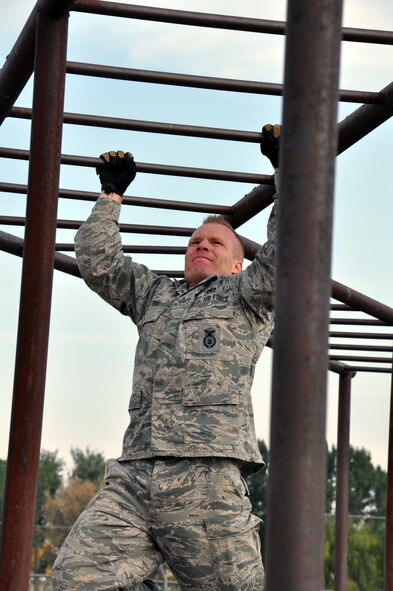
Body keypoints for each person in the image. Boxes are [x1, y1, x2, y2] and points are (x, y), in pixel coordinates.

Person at [51, 124, 281, 591]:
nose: (202, 246)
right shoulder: (156, 295)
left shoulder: (247, 296)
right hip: (135, 476)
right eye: (195, 241)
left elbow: (289, 256)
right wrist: (110, 197)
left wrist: (287, 173)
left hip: (205, 480)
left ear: (238, 263)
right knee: (76, 579)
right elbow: (99, 263)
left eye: (216, 243)